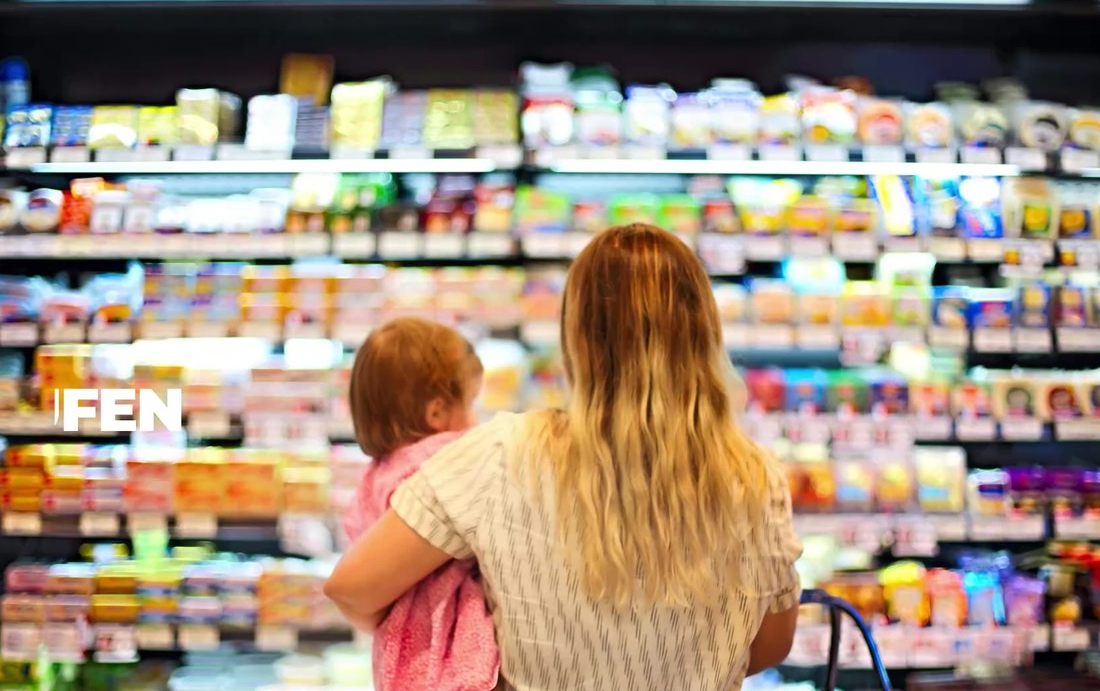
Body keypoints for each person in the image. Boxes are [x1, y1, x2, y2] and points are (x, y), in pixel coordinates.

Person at [326, 224, 803, 690]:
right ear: (703, 333)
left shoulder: (497, 455)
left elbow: (352, 588)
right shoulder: (756, 477)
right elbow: (769, 646)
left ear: (577, 337)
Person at [340, 317, 499, 691]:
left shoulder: (374, 476)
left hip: (396, 651)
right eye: (471, 403)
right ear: (437, 413)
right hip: (445, 642)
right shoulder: (443, 459)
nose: (475, 420)